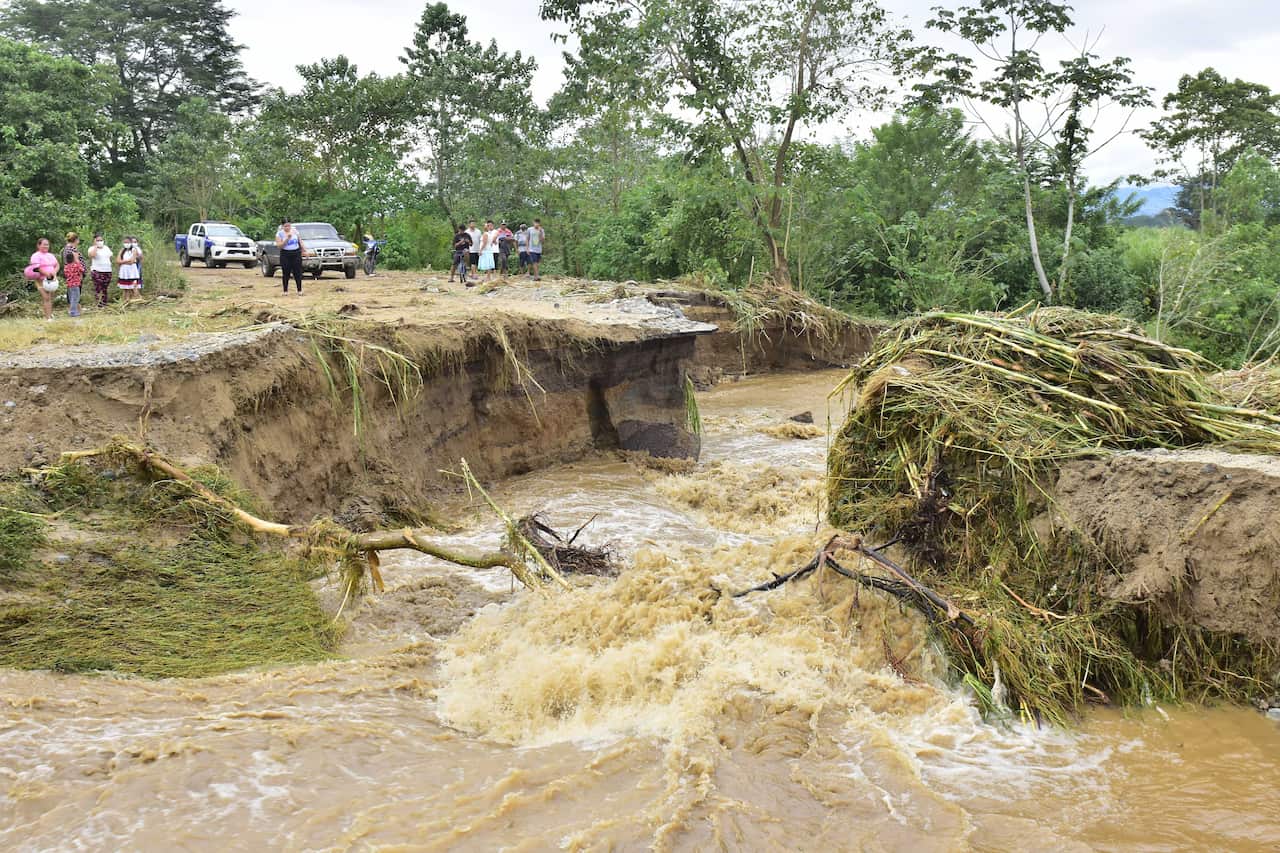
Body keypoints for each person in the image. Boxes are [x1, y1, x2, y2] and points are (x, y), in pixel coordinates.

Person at [29, 237, 60, 320]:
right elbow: (36, 267)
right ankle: (48, 318)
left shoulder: (50, 255)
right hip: (41, 280)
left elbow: (57, 265)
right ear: (39, 245)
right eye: (44, 244)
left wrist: (54, 272)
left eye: (47, 245)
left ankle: (50, 314)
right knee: (46, 298)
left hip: (52, 280)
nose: (46, 246)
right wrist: (46, 273)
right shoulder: (35, 256)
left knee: (50, 298)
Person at [276, 219, 305, 295]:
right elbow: (279, 246)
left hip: (296, 253)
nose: (287, 227)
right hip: (285, 254)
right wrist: (287, 239)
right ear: (282, 226)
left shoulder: (295, 231)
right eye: (285, 226)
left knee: (298, 272)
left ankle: (299, 290)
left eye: (289, 225)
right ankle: (285, 291)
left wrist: (303, 249)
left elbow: (300, 241)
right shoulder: (280, 234)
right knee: (286, 272)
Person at [61, 232, 85, 317]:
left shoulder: (69, 248)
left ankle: (76, 310)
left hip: (72, 279)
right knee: (75, 296)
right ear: (76, 240)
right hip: (76, 277)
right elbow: (76, 263)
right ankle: (73, 311)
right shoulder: (70, 249)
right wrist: (81, 273)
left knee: (74, 295)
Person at [87, 233, 113, 307]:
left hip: (107, 270)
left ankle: (104, 303)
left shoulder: (106, 248)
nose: (100, 241)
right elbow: (92, 255)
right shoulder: (91, 248)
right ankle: (99, 304)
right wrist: (95, 246)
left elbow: (109, 256)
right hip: (97, 271)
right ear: (94, 240)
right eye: (98, 240)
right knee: (98, 288)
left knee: (105, 288)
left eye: (101, 240)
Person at [117, 236, 143, 300]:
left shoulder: (134, 250)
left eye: (128, 242)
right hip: (124, 271)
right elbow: (117, 261)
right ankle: (127, 300)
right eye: (125, 242)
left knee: (134, 286)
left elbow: (131, 261)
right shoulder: (122, 250)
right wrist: (126, 261)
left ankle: (138, 299)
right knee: (126, 288)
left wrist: (122, 262)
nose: (126, 243)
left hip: (132, 271)